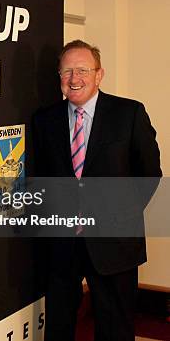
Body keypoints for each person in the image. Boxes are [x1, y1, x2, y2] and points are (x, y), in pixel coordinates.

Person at [31, 40, 162, 341]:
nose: (74, 79)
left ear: (99, 74)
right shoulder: (44, 120)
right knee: (58, 326)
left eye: (82, 70)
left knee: (115, 328)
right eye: (67, 72)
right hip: (61, 245)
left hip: (114, 244)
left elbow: (150, 174)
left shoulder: (129, 114)